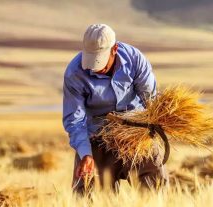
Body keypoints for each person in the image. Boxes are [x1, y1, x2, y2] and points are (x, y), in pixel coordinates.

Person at [62, 24, 168, 194]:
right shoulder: (75, 73)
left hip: (135, 132)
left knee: (154, 182)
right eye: (92, 59)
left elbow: (150, 100)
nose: (95, 67)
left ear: (114, 49)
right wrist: (85, 154)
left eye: (100, 60)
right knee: (88, 194)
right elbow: (75, 120)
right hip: (97, 135)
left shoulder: (135, 59)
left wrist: (152, 129)